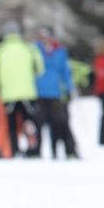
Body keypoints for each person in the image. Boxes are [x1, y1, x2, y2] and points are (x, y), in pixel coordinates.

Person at [0, 23, 44, 158]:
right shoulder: (29, 48)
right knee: (29, 122)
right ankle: (34, 149)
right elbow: (40, 68)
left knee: (12, 124)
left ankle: (14, 150)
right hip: (28, 92)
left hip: (7, 94)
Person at [35, 28, 80, 159]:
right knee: (39, 123)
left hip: (56, 92)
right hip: (39, 91)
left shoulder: (60, 51)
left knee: (59, 122)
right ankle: (36, 151)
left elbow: (65, 71)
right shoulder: (35, 50)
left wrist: (70, 86)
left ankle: (59, 150)